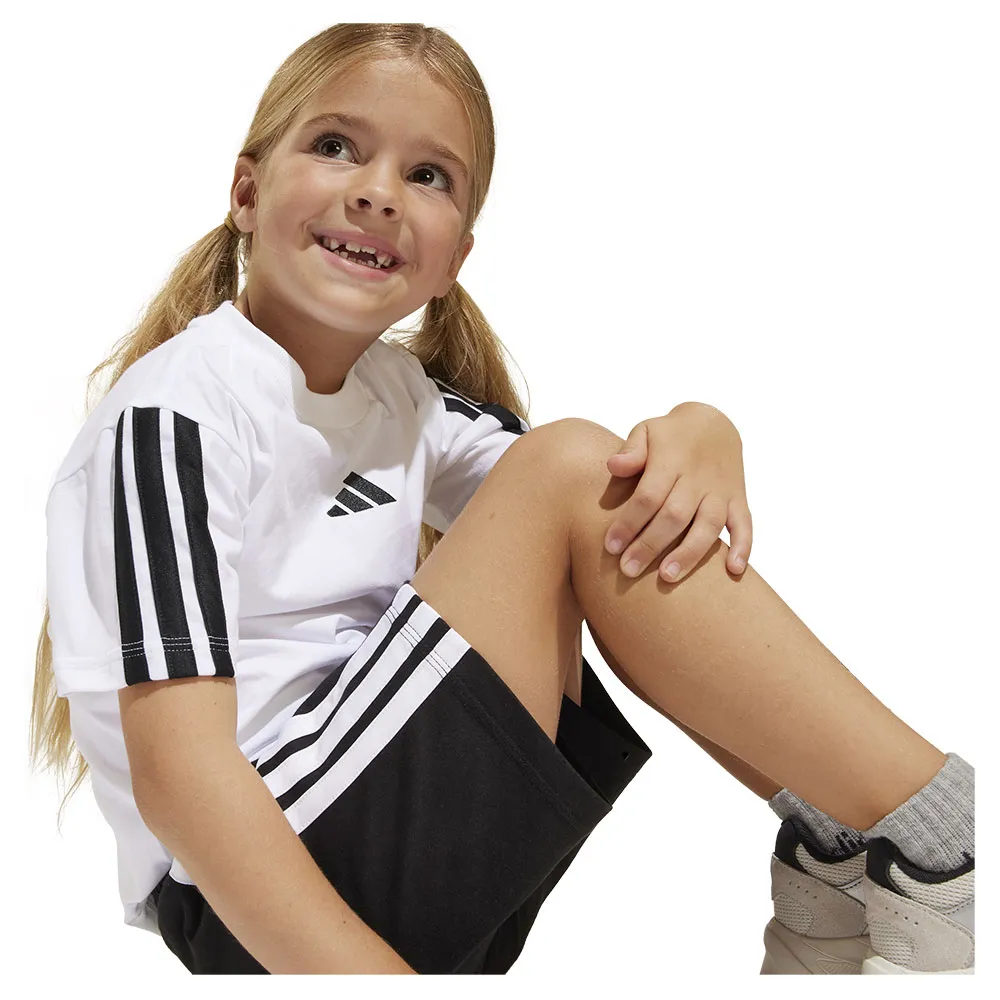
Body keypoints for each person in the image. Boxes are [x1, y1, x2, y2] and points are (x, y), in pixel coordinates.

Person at [27, 22, 973, 976]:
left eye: (428, 175)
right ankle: (946, 847)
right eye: (336, 146)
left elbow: (610, 505)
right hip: (257, 892)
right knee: (566, 472)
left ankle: (842, 861)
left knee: (599, 493)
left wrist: (706, 426)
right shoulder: (175, 414)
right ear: (245, 193)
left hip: (356, 839)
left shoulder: (402, 400)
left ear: (456, 258)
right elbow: (182, 778)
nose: (377, 191)